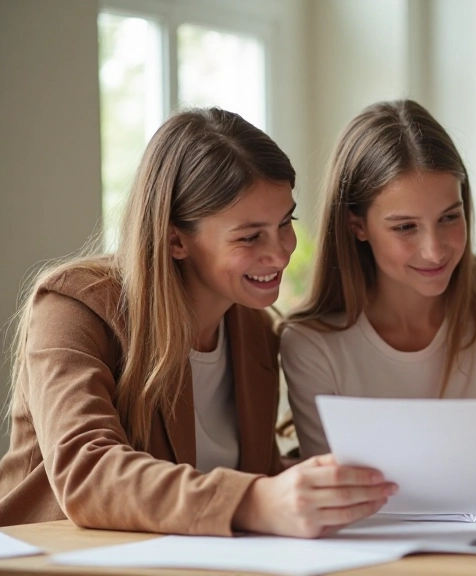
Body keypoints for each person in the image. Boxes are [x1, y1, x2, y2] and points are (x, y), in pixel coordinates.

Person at [0, 108, 396, 537]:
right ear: (175, 240)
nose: (281, 253)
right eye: (249, 236)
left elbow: (242, 469)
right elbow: (88, 471)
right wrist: (256, 500)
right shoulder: (73, 307)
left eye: (286, 223)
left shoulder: (255, 330)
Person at [281, 100, 476, 458]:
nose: (435, 251)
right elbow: (332, 492)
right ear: (356, 225)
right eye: (406, 227)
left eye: (449, 218)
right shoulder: (311, 344)